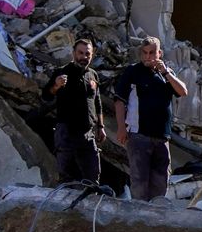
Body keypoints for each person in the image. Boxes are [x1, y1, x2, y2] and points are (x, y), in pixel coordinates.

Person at [114, 36, 188, 201]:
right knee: (140, 182)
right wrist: (120, 127)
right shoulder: (133, 71)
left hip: (162, 138)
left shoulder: (166, 74)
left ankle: (155, 218)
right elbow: (119, 101)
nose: (148, 56)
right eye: (145, 53)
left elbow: (183, 91)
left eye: (152, 52)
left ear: (159, 53)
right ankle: (138, 219)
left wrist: (166, 73)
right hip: (139, 135)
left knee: (160, 183)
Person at [41, 38, 105, 184]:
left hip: (88, 133)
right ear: (73, 53)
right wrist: (56, 86)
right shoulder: (62, 72)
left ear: (92, 55)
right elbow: (46, 96)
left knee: (93, 175)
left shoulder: (93, 75)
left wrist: (100, 127)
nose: (84, 57)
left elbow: (97, 102)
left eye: (87, 54)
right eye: (80, 53)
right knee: (66, 176)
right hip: (66, 132)